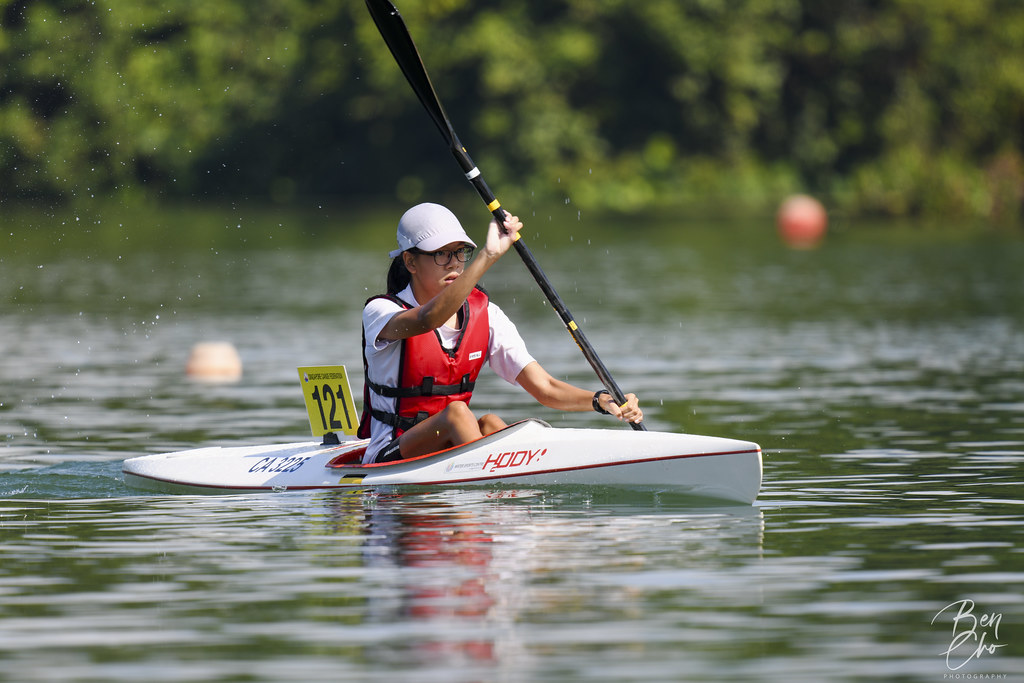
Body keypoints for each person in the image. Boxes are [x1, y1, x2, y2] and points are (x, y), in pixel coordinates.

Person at [358, 202, 642, 464]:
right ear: (410, 262)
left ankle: (509, 504)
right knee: (457, 414)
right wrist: (489, 255)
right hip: (389, 455)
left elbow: (545, 388)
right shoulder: (381, 312)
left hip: (447, 450)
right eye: (441, 254)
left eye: (460, 252)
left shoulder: (487, 315)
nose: (455, 263)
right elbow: (428, 318)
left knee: (492, 422)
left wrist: (602, 400)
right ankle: (492, 490)